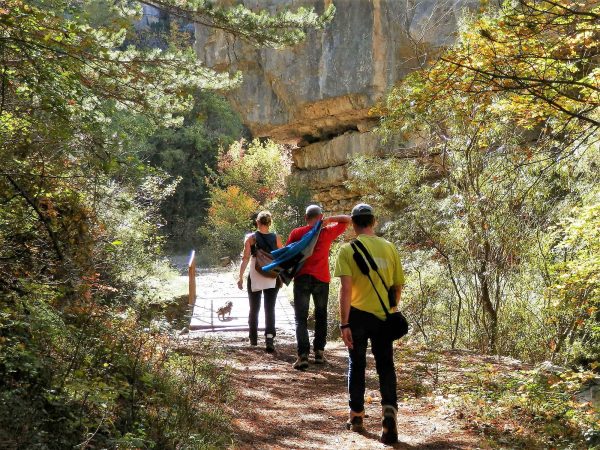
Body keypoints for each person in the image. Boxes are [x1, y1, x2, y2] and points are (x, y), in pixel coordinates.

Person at [333, 203, 405, 444]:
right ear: (373, 222)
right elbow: (397, 288)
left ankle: (356, 416)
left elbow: (345, 290)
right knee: (386, 365)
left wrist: (344, 324)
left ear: (353, 225)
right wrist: (389, 309)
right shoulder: (390, 248)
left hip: (358, 316)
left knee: (357, 364)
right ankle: (389, 415)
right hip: (384, 317)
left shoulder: (347, 250)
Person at [287, 204, 351, 370]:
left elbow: (288, 254)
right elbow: (348, 220)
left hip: (301, 279)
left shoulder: (297, 233)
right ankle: (319, 353)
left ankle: (302, 357)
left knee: (300, 318)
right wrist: (329, 219)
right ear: (320, 216)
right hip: (321, 279)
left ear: (305, 218)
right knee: (321, 315)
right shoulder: (326, 232)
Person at [237, 210, 283, 353]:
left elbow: (245, 259)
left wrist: (240, 277)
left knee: (254, 308)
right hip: (271, 276)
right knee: (270, 308)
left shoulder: (251, 238)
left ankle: (253, 339)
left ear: (257, 222)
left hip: (255, 275)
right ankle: (269, 339)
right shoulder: (277, 238)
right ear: (270, 223)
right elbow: (282, 257)